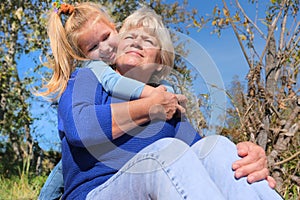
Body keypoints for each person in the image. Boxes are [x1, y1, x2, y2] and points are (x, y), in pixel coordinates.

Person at [38, 2, 281, 200]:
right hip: (97, 191)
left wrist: (247, 159)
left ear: (160, 59)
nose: (137, 42)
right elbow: (81, 128)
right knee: (166, 152)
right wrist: (150, 107)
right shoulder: (88, 78)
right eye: (130, 36)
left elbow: (204, 157)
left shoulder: (171, 106)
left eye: (149, 41)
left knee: (219, 147)